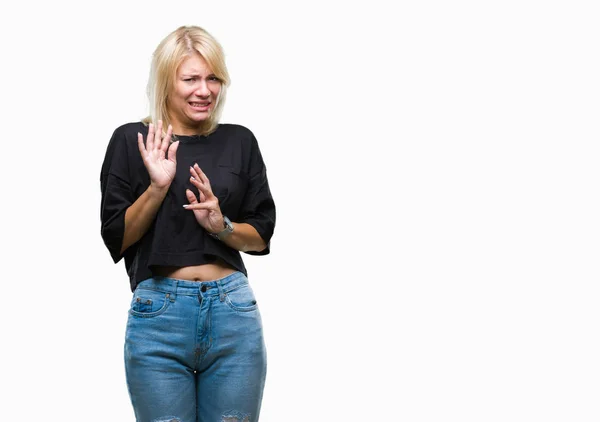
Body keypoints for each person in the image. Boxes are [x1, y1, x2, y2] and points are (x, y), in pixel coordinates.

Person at [100, 25, 275, 422]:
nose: (205, 90)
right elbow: (117, 238)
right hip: (159, 315)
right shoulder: (134, 141)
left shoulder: (240, 141)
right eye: (191, 78)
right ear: (166, 82)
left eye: (213, 78)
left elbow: (261, 234)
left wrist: (221, 225)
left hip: (232, 311)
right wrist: (157, 188)